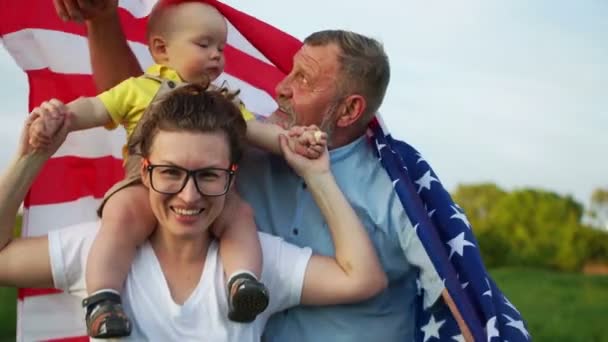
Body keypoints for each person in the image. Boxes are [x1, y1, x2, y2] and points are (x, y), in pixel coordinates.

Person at [52, 1, 474, 341]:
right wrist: (103, 18)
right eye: (288, 70)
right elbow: (148, 108)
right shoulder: (235, 148)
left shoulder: (401, 191)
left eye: (302, 79)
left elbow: (466, 303)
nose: (280, 87)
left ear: (350, 109)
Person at [0, 83, 388, 341]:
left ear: (232, 176)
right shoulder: (97, 250)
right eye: (170, 173)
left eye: (208, 175)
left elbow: (362, 279)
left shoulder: (257, 262)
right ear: (145, 170)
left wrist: (316, 175)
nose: (188, 196)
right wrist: (31, 157)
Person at [31, 1, 326, 338]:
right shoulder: (140, 88)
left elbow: (260, 132)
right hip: (144, 184)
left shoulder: (223, 101)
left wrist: (295, 140)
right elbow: (95, 108)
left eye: (221, 47)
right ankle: (103, 299)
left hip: (207, 189)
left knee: (240, 214)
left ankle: (243, 282)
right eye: (204, 45)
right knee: (120, 219)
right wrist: (61, 118)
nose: (217, 55)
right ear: (161, 49)